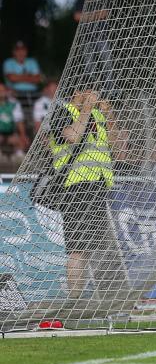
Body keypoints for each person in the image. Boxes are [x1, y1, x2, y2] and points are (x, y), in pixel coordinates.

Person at [45, 89, 125, 299]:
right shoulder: (63, 111)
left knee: (95, 248)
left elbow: (120, 149)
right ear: (75, 92)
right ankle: (74, 300)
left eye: (96, 92)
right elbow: (72, 136)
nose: (94, 95)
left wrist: (110, 116)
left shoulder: (98, 116)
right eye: (88, 91)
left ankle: (103, 299)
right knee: (78, 248)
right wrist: (86, 109)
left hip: (100, 185)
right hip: (76, 186)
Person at [3, 41, 44, 108]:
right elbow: (12, 78)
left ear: (26, 51)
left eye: (23, 50)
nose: (20, 53)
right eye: (18, 50)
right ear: (14, 52)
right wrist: (30, 76)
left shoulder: (32, 61)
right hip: (15, 93)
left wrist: (18, 77)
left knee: (42, 103)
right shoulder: (8, 62)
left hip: (33, 93)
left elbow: (38, 79)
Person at [0, 83, 29, 161]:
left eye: (3, 90)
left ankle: (18, 156)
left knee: (23, 139)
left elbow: (19, 121)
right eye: (0, 90)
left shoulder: (14, 103)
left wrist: (23, 135)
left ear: (6, 91)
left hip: (10, 133)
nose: (2, 92)